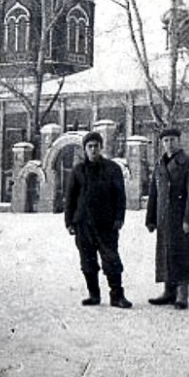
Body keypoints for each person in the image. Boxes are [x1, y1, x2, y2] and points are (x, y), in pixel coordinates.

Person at [64, 131, 132, 309]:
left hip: (106, 224)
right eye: (90, 146)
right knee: (87, 261)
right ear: (85, 149)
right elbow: (70, 198)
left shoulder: (112, 169)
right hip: (83, 224)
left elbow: (120, 197)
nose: (93, 149)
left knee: (111, 259)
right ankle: (93, 295)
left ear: (101, 147)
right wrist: (69, 222)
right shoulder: (78, 171)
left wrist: (119, 218)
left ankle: (117, 295)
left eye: (96, 146)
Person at [146, 127, 189, 309]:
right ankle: (168, 290)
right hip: (164, 218)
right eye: (165, 141)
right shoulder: (160, 164)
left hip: (181, 218)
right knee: (166, 253)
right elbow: (154, 193)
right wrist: (150, 218)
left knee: (183, 253)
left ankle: (182, 293)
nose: (169, 144)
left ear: (179, 141)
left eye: (172, 140)